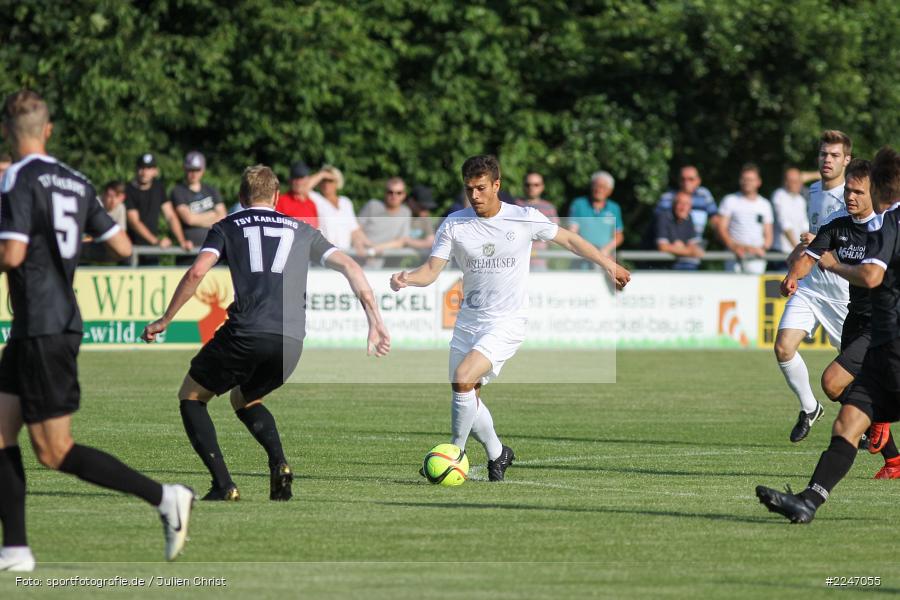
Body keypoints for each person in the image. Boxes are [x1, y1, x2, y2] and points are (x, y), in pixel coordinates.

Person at [0, 90, 192, 571]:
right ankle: (16, 549)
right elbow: (124, 245)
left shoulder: (16, 178)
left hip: (43, 325)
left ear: (8, 131)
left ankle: (164, 497)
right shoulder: (76, 180)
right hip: (46, 323)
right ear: (48, 131)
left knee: (54, 450)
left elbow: (12, 256)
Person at [142, 165, 390, 502]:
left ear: (242, 197)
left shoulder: (227, 225)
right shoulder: (303, 230)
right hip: (291, 342)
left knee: (191, 396)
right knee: (244, 398)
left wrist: (166, 318)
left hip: (246, 331)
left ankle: (224, 484)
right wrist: (374, 320)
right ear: (276, 197)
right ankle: (279, 464)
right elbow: (351, 266)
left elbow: (197, 271)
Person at [390, 155, 630, 482]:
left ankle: (454, 453)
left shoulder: (524, 218)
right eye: (469, 189)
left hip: (507, 322)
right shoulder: (454, 224)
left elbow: (570, 240)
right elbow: (431, 271)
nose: (474, 196)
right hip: (468, 322)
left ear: (497, 185)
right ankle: (498, 453)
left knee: (463, 377)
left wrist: (608, 263)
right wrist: (407, 278)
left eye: (481, 188)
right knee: (467, 394)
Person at [756, 146, 900, 523]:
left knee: (834, 382)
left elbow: (871, 276)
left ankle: (882, 432)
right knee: (845, 418)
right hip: (861, 323)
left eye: (858, 192)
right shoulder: (838, 225)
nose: (850, 197)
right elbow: (809, 255)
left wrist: (834, 264)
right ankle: (808, 501)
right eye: (848, 191)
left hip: (887, 330)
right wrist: (793, 274)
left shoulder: (889, 225)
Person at [773, 131, 852, 443]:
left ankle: (871, 430)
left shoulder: (855, 193)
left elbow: (858, 244)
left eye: (834, 155)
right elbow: (810, 238)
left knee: (852, 369)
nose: (827, 160)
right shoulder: (814, 191)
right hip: (811, 287)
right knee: (782, 347)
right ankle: (809, 407)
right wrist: (794, 269)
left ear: (847, 159)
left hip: (842, 292)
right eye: (823, 154)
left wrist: (822, 245)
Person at [125, 153, 191, 265]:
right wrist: (156, 241)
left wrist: (182, 241)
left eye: (149, 168)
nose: (144, 172)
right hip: (130, 249)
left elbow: (170, 216)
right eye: (141, 168)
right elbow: (134, 222)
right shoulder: (128, 189)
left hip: (151, 251)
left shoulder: (158, 187)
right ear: (136, 169)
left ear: (155, 171)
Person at [717, 163, 773, 274]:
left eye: (751, 179)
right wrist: (734, 247)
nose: (747, 182)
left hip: (756, 257)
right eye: (744, 179)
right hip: (734, 255)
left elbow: (768, 235)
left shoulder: (765, 204)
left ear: (758, 182)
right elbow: (721, 228)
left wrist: (763, 249)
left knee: (755, 290)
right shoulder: (730, 200)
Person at [171, 151, 226, 264]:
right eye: (190, 170)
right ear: (185, 169)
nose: (194, 174)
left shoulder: (212, 190)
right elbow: (189, 219)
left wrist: (198, 218)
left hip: (213, 252)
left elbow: (223, 217)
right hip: (189, 253)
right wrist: (212, 216)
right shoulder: (178, 191)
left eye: (197, 170)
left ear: (203, 170)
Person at [312, 164, 369, 255]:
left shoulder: (345, 202)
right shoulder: (316, 199)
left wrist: (370, 246)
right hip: (325, 255)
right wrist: (322, 174)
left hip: (346, 255)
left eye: (330, 180)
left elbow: (354, 230)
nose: (326, 184)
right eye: (323, 180)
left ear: (337, 182)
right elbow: (303, 188)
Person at [568, 171, 624, 257]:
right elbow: (572, 231)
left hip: (605, 258)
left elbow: (618, 236)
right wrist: (585, 249)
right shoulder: (579, 204)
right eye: (596, 185)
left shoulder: (614, 208)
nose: (599, 190)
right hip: (581, 257)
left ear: (610, 191)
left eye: (603, 187)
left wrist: (606, 249)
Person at [358, 177, 412, 266]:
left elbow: (402, 241)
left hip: (389, 261)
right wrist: (368, 246)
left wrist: (377, 248)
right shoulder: (372, 205)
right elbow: (356, 229)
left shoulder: (405, 212)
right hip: (363, 257)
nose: (394, 196)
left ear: (404, 195)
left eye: (399, 193)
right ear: (385, 193)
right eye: (390, 192)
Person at [656, 165, 719, 239]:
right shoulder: (667, 197)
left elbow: (715, 219)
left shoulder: (704, 194)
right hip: (672, 243)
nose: (686, 182)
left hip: (693, 243)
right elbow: (659, 222)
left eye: (691, 179)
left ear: (698, 180)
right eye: (683, 179)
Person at [516, 172, 560, 271]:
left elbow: (555, 237)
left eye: (536, 185)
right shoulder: (514, 206)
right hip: (516, 262)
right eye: (528, 184)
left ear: (542, 187)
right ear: (523, 186)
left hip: (540, 261)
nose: (532, 187)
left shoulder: (549, 208)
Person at [652, 190, 704, 270]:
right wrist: (690, 252)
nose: (683, 207)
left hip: (677, 264)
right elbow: (663, 247)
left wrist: (678, 248)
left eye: (687, 204)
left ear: (690, 207)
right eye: (680, 203)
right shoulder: (663, 217)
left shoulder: (688, 217)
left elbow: (693, 245)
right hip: (655, 267)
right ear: (674, 204)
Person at [82, 181, 129, 264]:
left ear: (122, 198)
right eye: (110, 196)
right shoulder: (93, 204)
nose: (113, 200)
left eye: (117, 196)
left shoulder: (121, 208)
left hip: (103, 244)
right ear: (104, 194)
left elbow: (121, 233)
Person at [771, 168, 809, 254]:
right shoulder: (779, 195)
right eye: (792, 181)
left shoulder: (800, 200)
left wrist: (805, 248)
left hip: (798, 252)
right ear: (785, 182)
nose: (796, 184)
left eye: (798, 181)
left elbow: (804, 226)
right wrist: (798, 248)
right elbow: (785, 224)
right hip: (780, 251)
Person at [274, 160, 320, 227]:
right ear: (290, 180)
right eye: (295, 178)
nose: (298, 182)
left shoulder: (311, 204)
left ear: (307, 179)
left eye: (301, 178)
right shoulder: (280, 201)